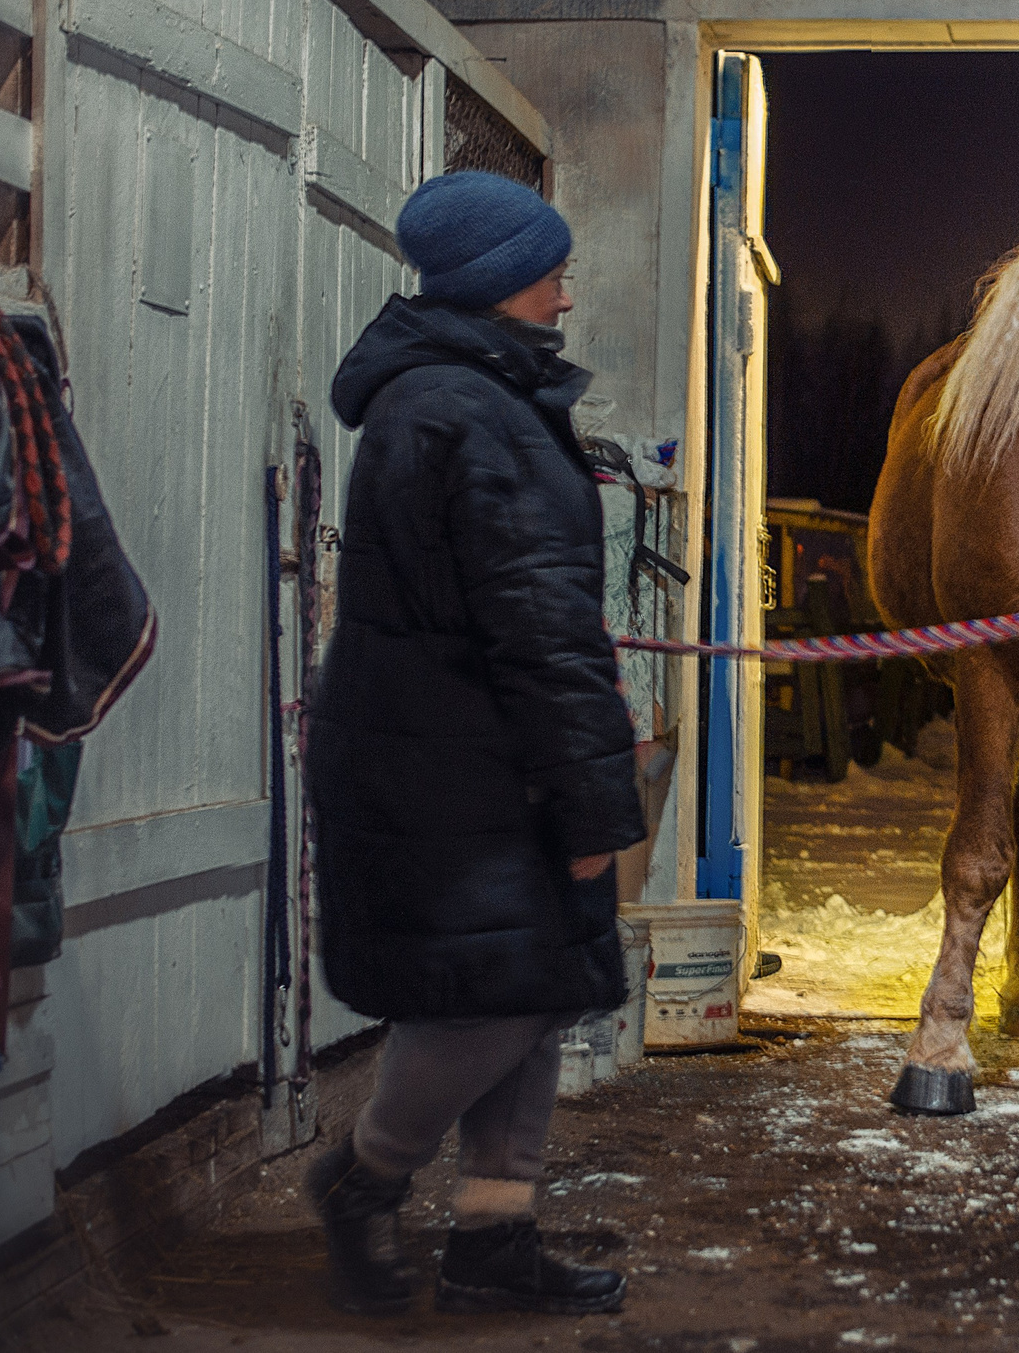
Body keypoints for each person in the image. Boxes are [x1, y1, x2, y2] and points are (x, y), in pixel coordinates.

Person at [303, 171, 645, 1317]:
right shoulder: (470, 413)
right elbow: (540, 630)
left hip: (455, 753)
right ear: (499, 283)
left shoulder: (458, 397)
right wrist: (595, 804)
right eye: (549, 266)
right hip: (463, 763)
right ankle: (365, 1173)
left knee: (536, 986)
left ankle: (495, 1238)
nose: (565, 286)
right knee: (494, 998)